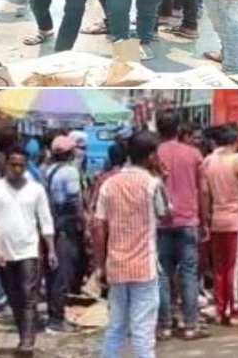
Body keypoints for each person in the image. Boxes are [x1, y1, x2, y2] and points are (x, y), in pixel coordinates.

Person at [93, 131, 169, 358]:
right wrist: (163, 179)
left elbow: (98, 226)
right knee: (143, 329)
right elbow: (164, 213)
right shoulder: (152, 184)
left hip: (116, 265)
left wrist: (100, 265)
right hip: (144, 266)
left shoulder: (109, 184)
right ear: (152, 156)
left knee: (116, 325)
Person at [0, 147, 56, 357]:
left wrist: (50, 249)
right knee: (13, 296)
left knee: (28, 294)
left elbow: (45, 220)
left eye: (21, 165)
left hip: (29, 250)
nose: (17, 169)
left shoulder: (36, 190)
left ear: (26, 166)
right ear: (5, 164)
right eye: (13, 164)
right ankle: (23, 331)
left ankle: (27, 340)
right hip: (4, 251)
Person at [154, 112, 208, 341]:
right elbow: (202, 191)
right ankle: (190, 325)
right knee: (188, 273)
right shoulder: (194, 154)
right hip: (188, 220)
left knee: (163, 273)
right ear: (179, 129)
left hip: (161, 222)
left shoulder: (153, 155)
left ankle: (165, 325)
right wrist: (204, 221)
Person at [202, 126, 238, 326]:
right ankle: (234, 311)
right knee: (235, 268)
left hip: (216, 220)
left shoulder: (208, 162)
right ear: (236, 142)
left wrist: (207, 218)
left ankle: (220, 307)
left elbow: (206, 194)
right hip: (236, 220)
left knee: (220, 269)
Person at [43, 136, 84, 334]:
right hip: (65, 226)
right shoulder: (70, 172)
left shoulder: (47, 170)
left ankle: (54, 314)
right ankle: (57, 319)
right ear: (71, 153)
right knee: (63, 272)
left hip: (50, 224)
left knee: (53, 272)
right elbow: (75, 201)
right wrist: (83, 224)